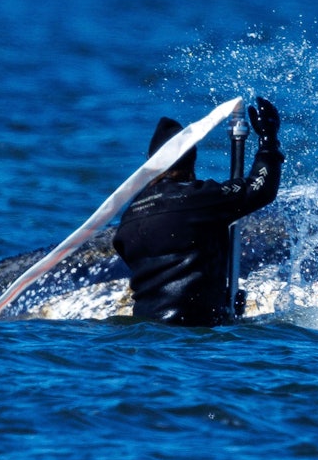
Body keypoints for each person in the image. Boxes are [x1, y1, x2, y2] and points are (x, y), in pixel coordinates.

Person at [113, 97, 284, 326]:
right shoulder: (194, 199)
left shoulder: (130, 216)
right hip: (191, 330)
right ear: (190, 161)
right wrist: (269, 140)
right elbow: (260, 189)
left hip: (145, 330)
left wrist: (222, 301)